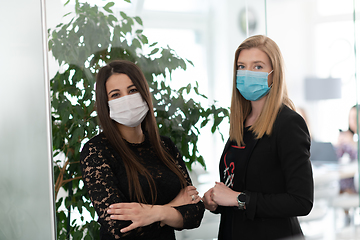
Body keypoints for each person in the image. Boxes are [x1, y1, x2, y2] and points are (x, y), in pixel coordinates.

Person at [202, 35, 314, 240]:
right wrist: (215, 200)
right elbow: (237, 184)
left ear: (274, 74)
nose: (247, 73)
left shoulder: (288, 123)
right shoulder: (241, 122)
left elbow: (301, 201)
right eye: (241, 66)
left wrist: (238, 199)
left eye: (258, 66)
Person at [80, 60, 205, 240]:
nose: (127, 99)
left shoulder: (165, 146)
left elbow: (195, 212)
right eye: (116, 95)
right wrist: (170, 209)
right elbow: (120, 230)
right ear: (105, 103)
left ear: (144, 93)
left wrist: (154, 214)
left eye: (132, 91)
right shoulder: (96, 152)